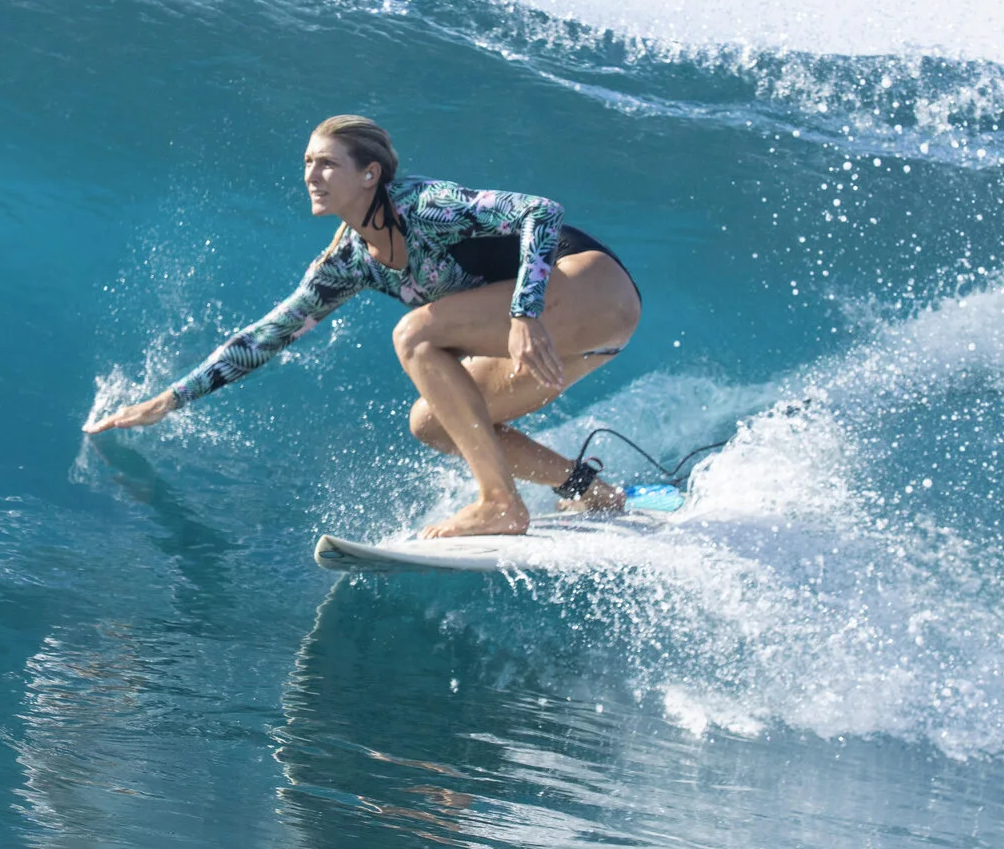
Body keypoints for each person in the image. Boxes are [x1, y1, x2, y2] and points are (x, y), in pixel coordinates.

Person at [85, 115, 643, 537]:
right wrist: (167, 401)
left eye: (327, 163)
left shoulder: (423, 205)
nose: (312, 175)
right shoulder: (350, 263)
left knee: (414, 334)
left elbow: (540, 211)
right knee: (433, 423)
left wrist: (524, 312)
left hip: (592, 289)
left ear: (369, 173)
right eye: (307, 162)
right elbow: (266, 337)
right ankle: (588, 489)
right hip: (580, 336)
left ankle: (499, 503)